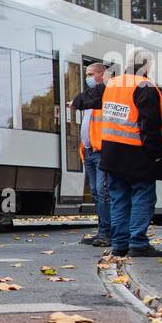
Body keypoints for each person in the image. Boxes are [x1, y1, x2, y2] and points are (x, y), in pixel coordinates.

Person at [98, 50, 162, 258]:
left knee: (119, 197)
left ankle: (119, 243)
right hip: (137, 153)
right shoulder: (145, 86)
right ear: (147, 66)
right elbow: (150, 124)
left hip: (111, 152)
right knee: (142, 196)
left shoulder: (113, 84)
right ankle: (137, 242)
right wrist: (156, 154)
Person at [71, 62, 110, 247]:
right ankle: (102, 231)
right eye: (87, 74)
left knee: (102, 192)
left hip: (100, 150)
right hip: (88, 150)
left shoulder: (105, 94)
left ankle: (106, 233)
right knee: (96, 192)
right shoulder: (88, 97)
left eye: (91, 74)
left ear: (102, 75)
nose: (88, 77)